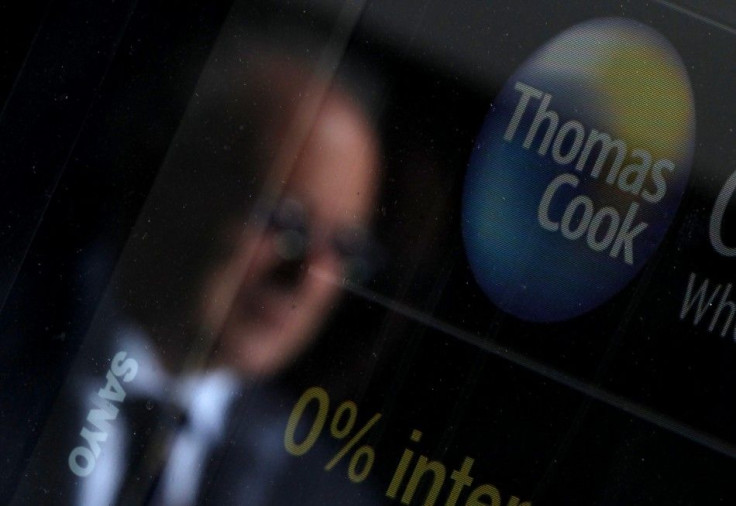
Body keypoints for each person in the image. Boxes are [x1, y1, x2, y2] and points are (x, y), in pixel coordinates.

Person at [12, 40, 384, 506]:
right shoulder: (17, 332)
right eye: (286, 221)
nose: (307, 277)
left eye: (345, 247)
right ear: (169, 178)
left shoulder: (325, 495)